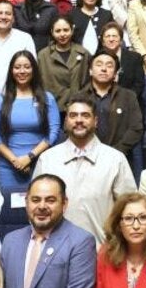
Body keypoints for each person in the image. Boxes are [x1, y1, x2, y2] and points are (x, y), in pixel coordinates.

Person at [32, 95, 136, 243]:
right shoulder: (48, 159)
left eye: (85, 115)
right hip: (54, 253)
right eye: (73, 115)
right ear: (66, 121)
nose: (79, 120)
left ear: (96, 121)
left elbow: (130, 209)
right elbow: (34, 208)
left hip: (103, 253)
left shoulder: (115, 159)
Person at [0, 50, 61, 200]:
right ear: (11, 71)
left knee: (41, 209)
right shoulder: (1, 100)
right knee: (11, 213)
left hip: (40, 163)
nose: (22, 71)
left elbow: (53, 132)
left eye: (27, 67)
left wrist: (29, 157)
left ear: (34, 69)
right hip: (8, 166)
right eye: (17, 67)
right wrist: (15, 160)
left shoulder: (47, 98)